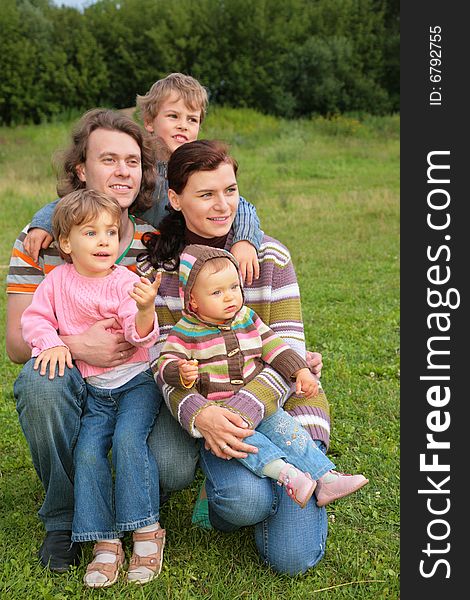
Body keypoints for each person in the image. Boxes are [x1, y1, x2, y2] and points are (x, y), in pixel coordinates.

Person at [5, 108, 199, 572]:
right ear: (81, 170)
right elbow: (16, 345)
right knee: (39, 382)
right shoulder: (43, 243)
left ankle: (137, 507)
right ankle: (64, 518)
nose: (122, 171)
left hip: (138, 379)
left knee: (172, 467)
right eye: (108, 160)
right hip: (78, 375)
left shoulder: (156, 244)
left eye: (132, 161)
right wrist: (75, 345)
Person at [138, 139, 342, 575]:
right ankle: (224, 499)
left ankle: (290, 477)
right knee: (244, 501)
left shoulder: (270, 256)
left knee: (293, 559)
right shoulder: (161, 270)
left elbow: (290, 355)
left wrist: (237, 411)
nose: (222, 205)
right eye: (206, 193)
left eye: (230, 190)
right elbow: (164, 361)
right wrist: (201, 416)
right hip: (212, 410)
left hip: (283, 409)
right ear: (175, 199)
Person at [20, 190, 164, 588]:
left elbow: (138, 335)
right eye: (91, 233)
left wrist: (146, 308)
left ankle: (146, 532)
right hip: (97, 392)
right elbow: (34, 321)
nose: (105, 241)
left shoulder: (124, 282)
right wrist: (51, 342)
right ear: (66, 243)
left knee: (129, 441)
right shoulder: (56, 284)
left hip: (136, 383)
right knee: (87, 453)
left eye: (111, 232)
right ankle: (104, 541)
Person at [156, 244, 369, 509]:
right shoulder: (185, 332)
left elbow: (275, 347)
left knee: (289, 432)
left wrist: (300, 370)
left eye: (234, 287)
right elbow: (164, 364)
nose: (230, 297)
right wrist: (180, 372)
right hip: (223, 412)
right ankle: (287, 475)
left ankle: (325, 477)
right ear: (193, 300)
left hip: (258, 403)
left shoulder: (247, 318)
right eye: (217, 292)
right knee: (248, 446)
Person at [23, 73, 262, 285]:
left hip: (188, 259)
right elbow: (82, 199)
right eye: (173, 116)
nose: (183, 126)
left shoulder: (200, 169)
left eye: (192, 119)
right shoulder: (141, 170)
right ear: (149, 122)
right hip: (147, 256)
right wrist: (44, 222)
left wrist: (244, 240)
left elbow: (240, 206)